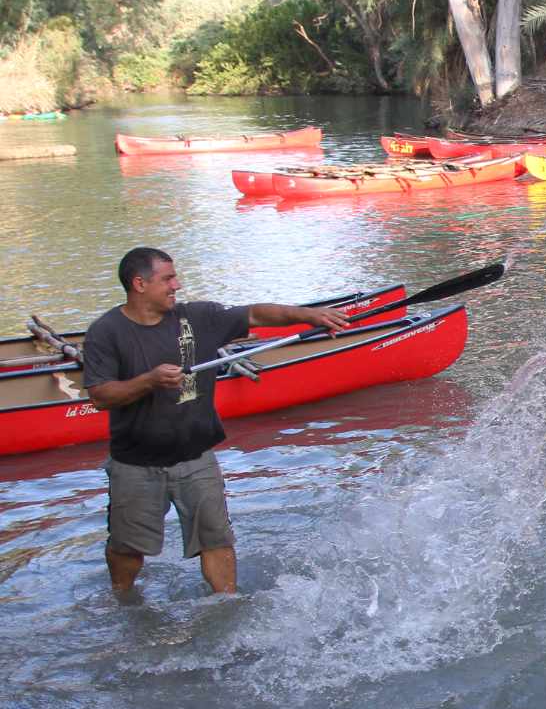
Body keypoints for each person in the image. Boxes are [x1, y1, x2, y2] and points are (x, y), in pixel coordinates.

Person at [81, 246, 351, 595]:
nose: (176, 285)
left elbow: (255, 314)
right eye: (168, 278)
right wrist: (149, 381)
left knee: (216, 539)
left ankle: (227, 604)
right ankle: (122, 599)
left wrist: (310, 315)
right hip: (135, 463)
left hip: (196, 458)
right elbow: (101, 396)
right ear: (139, 284)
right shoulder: (106, 331)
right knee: (127, 547)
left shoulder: (197, 318)